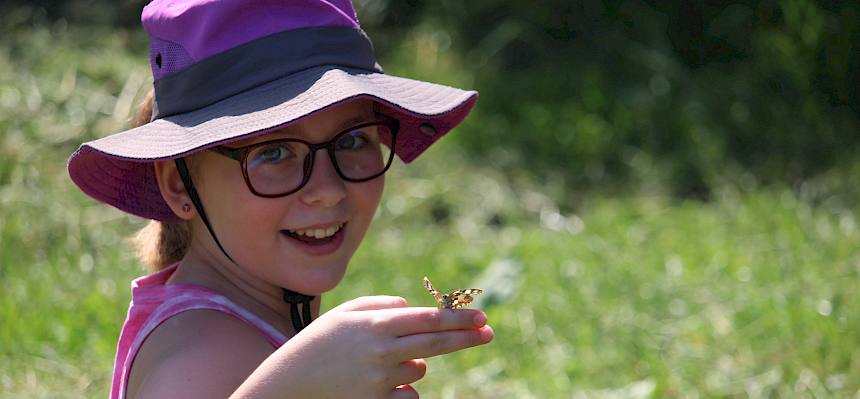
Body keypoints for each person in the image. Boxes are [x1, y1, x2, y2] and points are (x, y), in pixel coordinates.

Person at [66, 1, 493, 398]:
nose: (327, 190)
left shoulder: (247, 323)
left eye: (353, 140)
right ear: (179, 185)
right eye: (272, 153)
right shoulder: (202, 355)